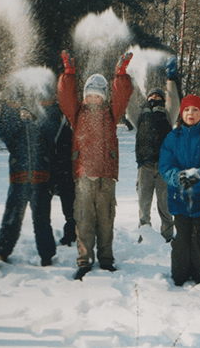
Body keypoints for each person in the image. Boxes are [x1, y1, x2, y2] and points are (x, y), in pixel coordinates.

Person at [57, 50, 133, 280]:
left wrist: (120, 74)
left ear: (103, 96)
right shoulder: (76, 113)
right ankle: (84, 260)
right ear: (84, 96)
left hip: (107, 176)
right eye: (89, 94)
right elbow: (65, 97)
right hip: (83, 175)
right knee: (84, 219)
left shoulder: (111, 113)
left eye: (97, 94)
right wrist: (69, 73)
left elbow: (122, 96)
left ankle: (106, 259)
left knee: (106, 218)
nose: (93, 98)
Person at [159, 94, 200, 286]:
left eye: (195, 110)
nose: (190, 113)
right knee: (181, 242)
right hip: (179, 200)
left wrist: (199, 175)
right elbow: (165, 165)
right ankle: (180, 274)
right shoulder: (172, 137)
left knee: (199, 240)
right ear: (181, 113)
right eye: (187, 109)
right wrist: (177, 177)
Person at [0, 88, 60, 266]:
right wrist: (9, 106)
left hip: (41, 182)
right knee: (12, 218)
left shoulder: (42, 129)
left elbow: (52, 123)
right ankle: (2, 251)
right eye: (21, 112)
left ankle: (46, 255)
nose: (24, 115)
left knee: (42, 220)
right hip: (19, 181)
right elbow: (7, 125)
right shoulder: (14, 133)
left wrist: (49, 105)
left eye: (27, 112)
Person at [135, 56, 179, 243]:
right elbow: (129, 103)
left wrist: (171, 79)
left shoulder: (168, 114)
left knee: (165, 204)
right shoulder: (139, 114)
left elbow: (174, 100)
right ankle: (144, 234)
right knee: (143, 204)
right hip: (144, 165)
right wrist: (128, 77)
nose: (154, 97)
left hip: (164, 167)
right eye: (151, 96)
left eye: (158, 96)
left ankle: (167, 235)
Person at [50, 111, 76, 246]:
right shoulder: (49, 130)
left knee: (70, 206)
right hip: (54, 173)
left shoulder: (67, 131)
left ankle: (71, 233)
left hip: (67, 173)